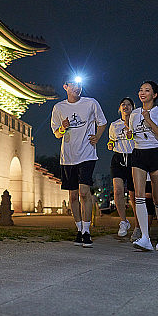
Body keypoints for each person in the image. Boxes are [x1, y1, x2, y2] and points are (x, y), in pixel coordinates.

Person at [51, 77, 107, 248]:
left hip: (87, 154)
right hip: (68, 156)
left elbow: (102, 123)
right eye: (73, 84)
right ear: (65, 87)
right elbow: (56, 133)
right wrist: (63, 127)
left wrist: (97, 136)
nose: (77, 87)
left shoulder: (91, 103)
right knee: (73, 196)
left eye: (79, 84)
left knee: (84, 192)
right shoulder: (59, 107)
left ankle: (87, 231)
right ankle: (79, 229)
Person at [126, 81, 158, 251]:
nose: (142, 93)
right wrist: (130, 134)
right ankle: (145, 237)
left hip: (156, 154)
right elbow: (135, 136)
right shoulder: (134, 114)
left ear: (154, 95)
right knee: (139, 196)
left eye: (147, 90)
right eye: (141, 90)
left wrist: (149, 121)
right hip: (139, 154)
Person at [107, 97, 136, 237]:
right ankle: (123, 222)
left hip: (133, 158)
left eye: (129, 105)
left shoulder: (137, 123)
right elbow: (111, 141)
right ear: (119, 108)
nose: (125, 107)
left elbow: (143, 141)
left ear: (133, 108)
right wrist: (110, 144)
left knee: (133, 195)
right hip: (118, 158)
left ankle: (138, 224)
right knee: (118, 191)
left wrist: (132, 135)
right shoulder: (114, 125)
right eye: (123, 104)